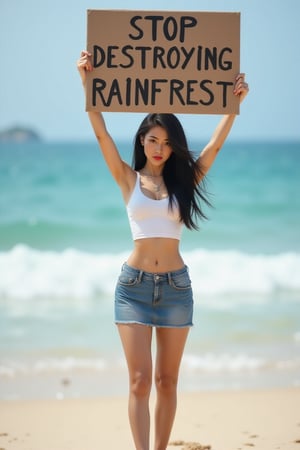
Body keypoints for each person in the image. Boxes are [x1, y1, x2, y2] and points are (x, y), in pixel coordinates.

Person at [77, 50, 249, 450]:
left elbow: (213, 148)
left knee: (166, 381)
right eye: (152, 140)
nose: (158, 147)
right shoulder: (127, 178)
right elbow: (101, 133)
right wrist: (86, 81)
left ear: (173, 148)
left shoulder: (183, 183)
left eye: (166, 142)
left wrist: (234, 106)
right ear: (142, 141)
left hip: (175, 288)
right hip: (133, 287)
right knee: (139, 380)